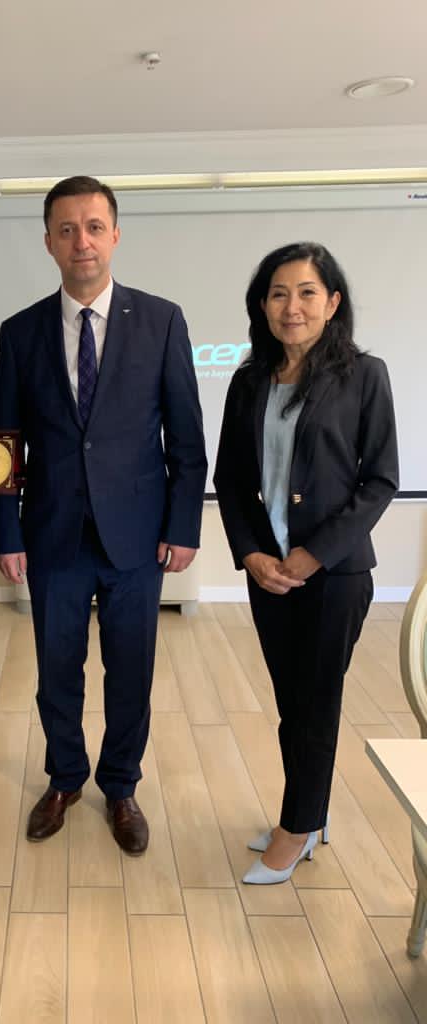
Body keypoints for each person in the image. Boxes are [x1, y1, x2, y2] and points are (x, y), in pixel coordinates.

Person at [0, 176, 207, 854]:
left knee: (131, 671)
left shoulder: (162, 320)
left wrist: (183, 526)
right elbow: (5, 444)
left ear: (114, 235)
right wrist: (6, 531)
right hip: (52, 534)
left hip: (137, 537)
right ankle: (64, 779)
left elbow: (187, 438)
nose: (80, 241)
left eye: (92, 227)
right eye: (66, 229)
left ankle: (120, 786)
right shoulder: (19, 332)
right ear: (48, 242)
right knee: (57, 670)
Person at [214, 241, 398, 884]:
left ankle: (297, 829)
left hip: (333, 577)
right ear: (262, 306)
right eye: (278, 294)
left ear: (333, 302)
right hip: (269, 576)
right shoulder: (248, 380)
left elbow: (380, 480)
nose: (291, 306)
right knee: (292, 703)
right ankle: (307, 815)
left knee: (315, 704)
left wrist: (314, 555)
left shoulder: (363, 375)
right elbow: (231, 480)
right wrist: (251, 554)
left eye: (307, 293)